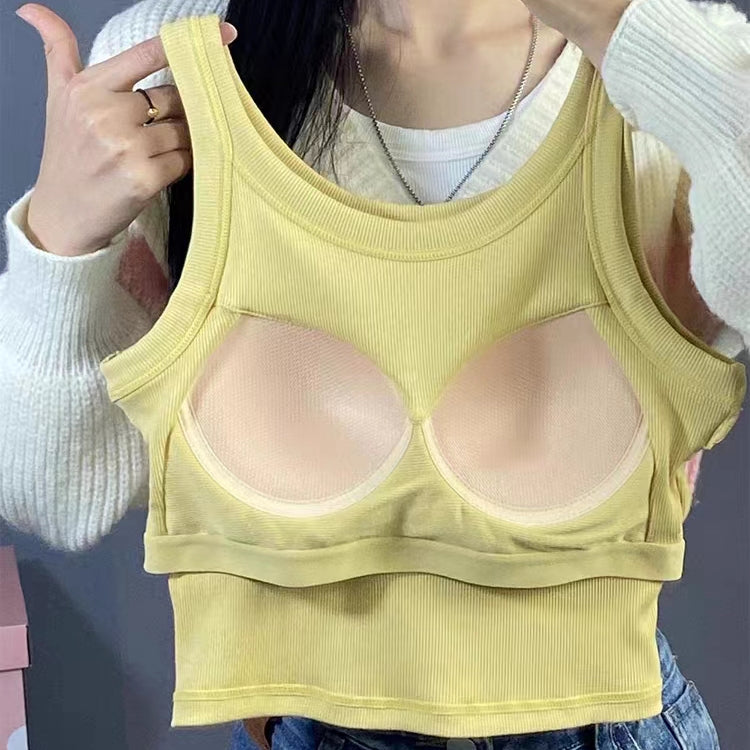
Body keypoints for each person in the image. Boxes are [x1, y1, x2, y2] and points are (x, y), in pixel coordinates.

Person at [2, 0, 748, 748]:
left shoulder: (676, 62)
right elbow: (58, 498)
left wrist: (641, 41)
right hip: (306, 725)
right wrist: (60, 241)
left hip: (605, 721)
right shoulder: (172, 66)